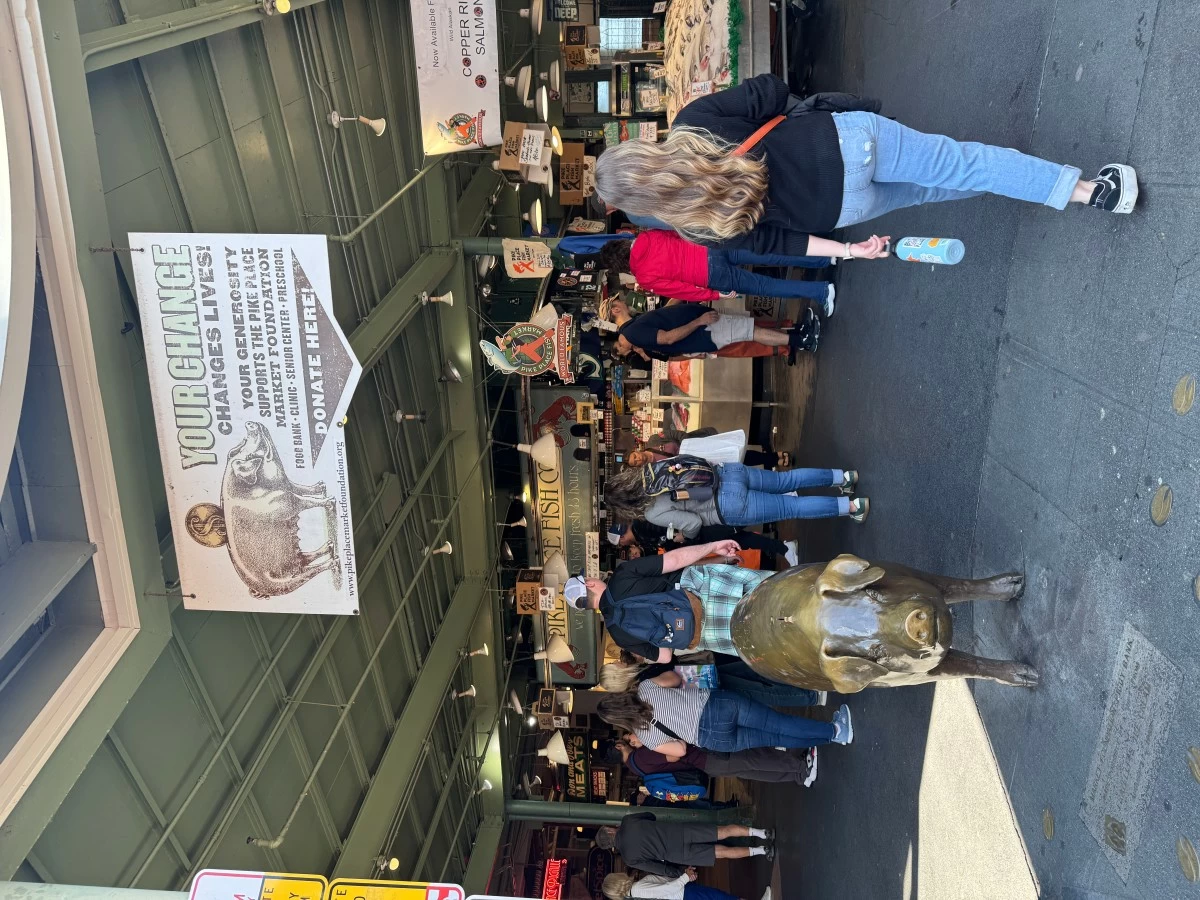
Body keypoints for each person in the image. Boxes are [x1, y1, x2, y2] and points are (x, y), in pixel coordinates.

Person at [595, 73, 1138, 258]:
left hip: (844, 208)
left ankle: (1018, 180)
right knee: (964, 163)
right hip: (845, 142)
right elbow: (772, 90)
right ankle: (1092, 192)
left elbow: (778, 245)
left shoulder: (695, 228)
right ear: (639, 149)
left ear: (640, 204)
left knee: (938, 187)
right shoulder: (693, 123)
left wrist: (850, 250)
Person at [597, 230, 837, 317]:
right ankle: (824, 256)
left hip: (709, 275)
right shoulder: (648, 236)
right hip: (712, 246)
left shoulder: (645, 278)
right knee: (768, 252)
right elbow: (682, 233)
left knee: (764, 286)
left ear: (621, 268)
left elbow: (681, 290)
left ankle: (820, 290)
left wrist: (714, 295)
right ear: (622, 244)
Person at [605, 455, 868, 533]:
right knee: (786, 478)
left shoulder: (652, 512)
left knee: (791, 508)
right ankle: (843, 476)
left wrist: (686, 535)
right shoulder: (649, 470)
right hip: (727, 473)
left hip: (726, 505)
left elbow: (694, 523)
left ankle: (853, 507)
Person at [597, 679, 853, 753]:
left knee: (774, 737)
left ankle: (829, 738)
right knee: (778, 722)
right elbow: (675, 678)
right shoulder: (645, 689)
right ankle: (835, 731)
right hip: (715, 707)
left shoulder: (646, 738)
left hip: (714, 740)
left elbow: (681, 750)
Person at [600, 295, 817, 364]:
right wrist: (698, 321)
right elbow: (667, 339)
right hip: (705, 331)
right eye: (619, 301)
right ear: (616, 308)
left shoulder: (635, 325)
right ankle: (802, 339)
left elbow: (666, 318)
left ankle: (799, 335)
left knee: (752, 329)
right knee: (752, 332)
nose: (623, 300)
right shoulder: (633, 332)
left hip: (704, 328)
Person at [600, 658, 827, 709]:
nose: (618, 662)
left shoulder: (639, 682)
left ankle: (805, 686)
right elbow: (674, 678)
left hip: (704, 678)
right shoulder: (642, 682)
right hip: (700, 681)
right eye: (615, 666)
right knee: (756, 690)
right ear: (616, 675)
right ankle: (810, 696)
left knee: (753, 675)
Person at [612, 734, 818, 787]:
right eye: (630, 737)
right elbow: (675, 754)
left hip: (702, 767)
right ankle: (801, 767)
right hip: (701, 756)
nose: (635, 737)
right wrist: (676, 736)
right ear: (620, 747)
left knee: (750, 770)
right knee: (752, 760)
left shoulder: (637, 769)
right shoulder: (641, 756)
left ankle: (796, 775)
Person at [594, 813, 775, 870]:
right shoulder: (628, 822)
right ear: (610, 830)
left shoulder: (629, 858)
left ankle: (761, 851)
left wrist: (676, 873)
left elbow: (657, 867)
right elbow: (650, 816)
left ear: (610, 846)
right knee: (722, 831)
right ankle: (761, 833)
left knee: (721, 853)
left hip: (679, 854)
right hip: (679, 832)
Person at [602, 870, 772, 900]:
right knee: (721, 898)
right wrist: (685, 877)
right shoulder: (638, 889)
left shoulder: (636, 893)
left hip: (684, 894)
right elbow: (666, 889)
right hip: (684, 895)